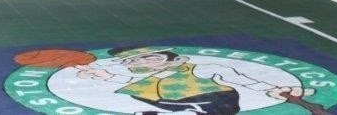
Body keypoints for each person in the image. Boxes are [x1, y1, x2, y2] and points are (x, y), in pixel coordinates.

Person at [74, 46, 318, 114]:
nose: (139, 62)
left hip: (214, 101)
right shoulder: (153, 77)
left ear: (175, 59)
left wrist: (272, 89)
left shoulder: (204, 68)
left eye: (149, 57)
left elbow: (240, 78)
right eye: (132, 62)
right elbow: (134, 83)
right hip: (170, 103)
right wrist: (104, 75)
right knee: (138, 92)